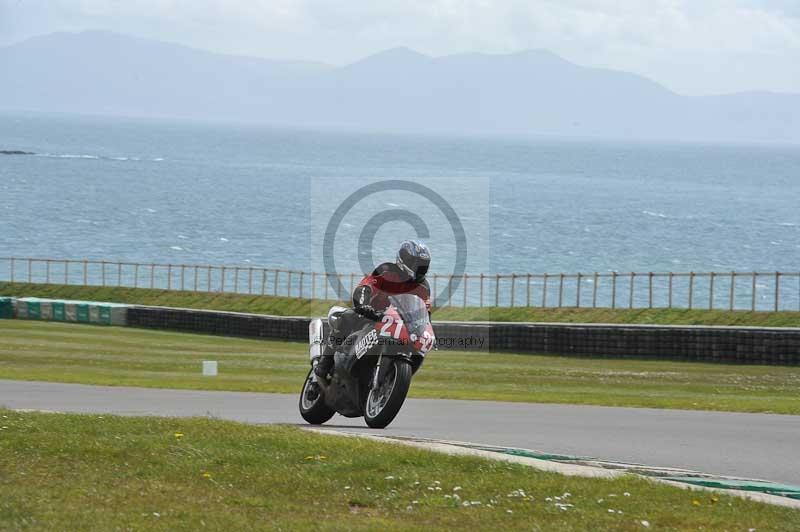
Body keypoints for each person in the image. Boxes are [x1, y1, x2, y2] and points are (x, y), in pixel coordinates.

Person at [312, 240, 432, 383]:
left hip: (397, 325)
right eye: (417, 264)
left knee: (419, 349)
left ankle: (391, 380)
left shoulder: (423, 287)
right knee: (345, 318)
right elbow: (365, 286)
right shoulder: (386, 270)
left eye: (423, 265)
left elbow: (424, 313)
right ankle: (325, 362)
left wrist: (423, 328)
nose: (420, 268)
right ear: (404, 260)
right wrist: (362, 305)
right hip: (370, 315)